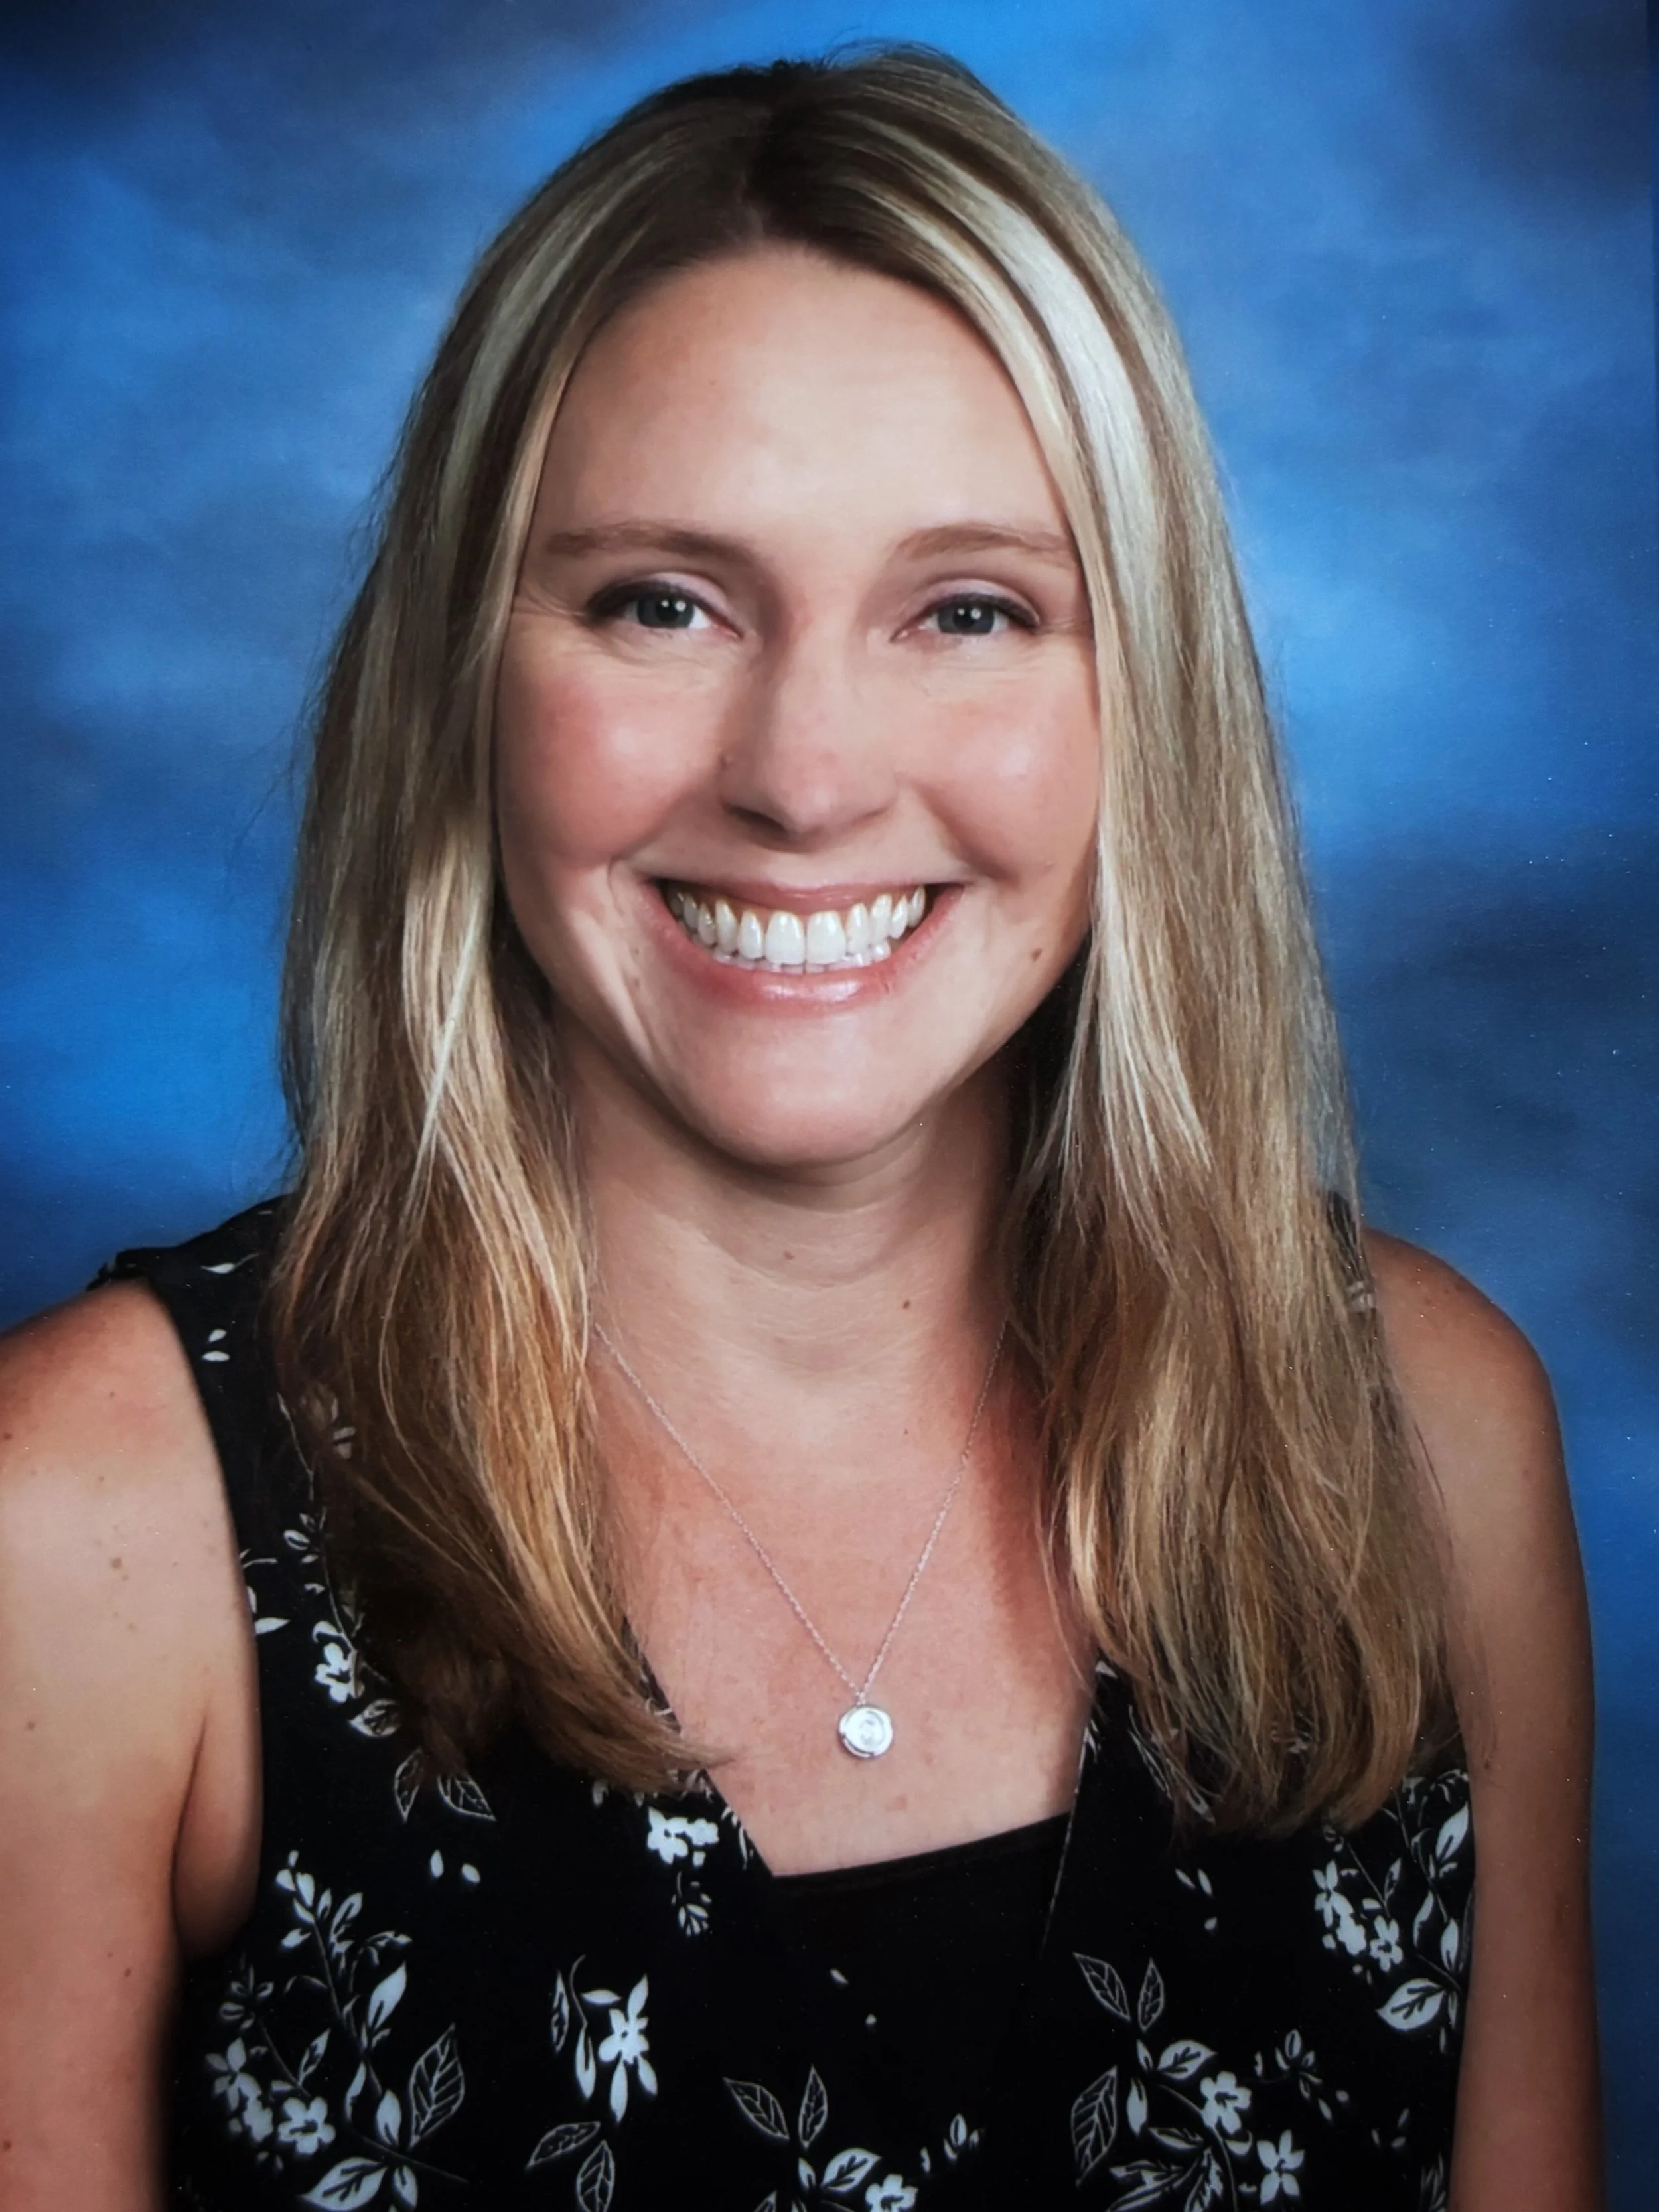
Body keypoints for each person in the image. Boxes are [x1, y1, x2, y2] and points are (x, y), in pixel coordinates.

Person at [0, 47, 1599, 2211]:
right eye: (661, 599)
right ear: (467, 671)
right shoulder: (81, 1540)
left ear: (1144, 695)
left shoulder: (1419, 1441)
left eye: (968, 609)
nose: (807, 771)